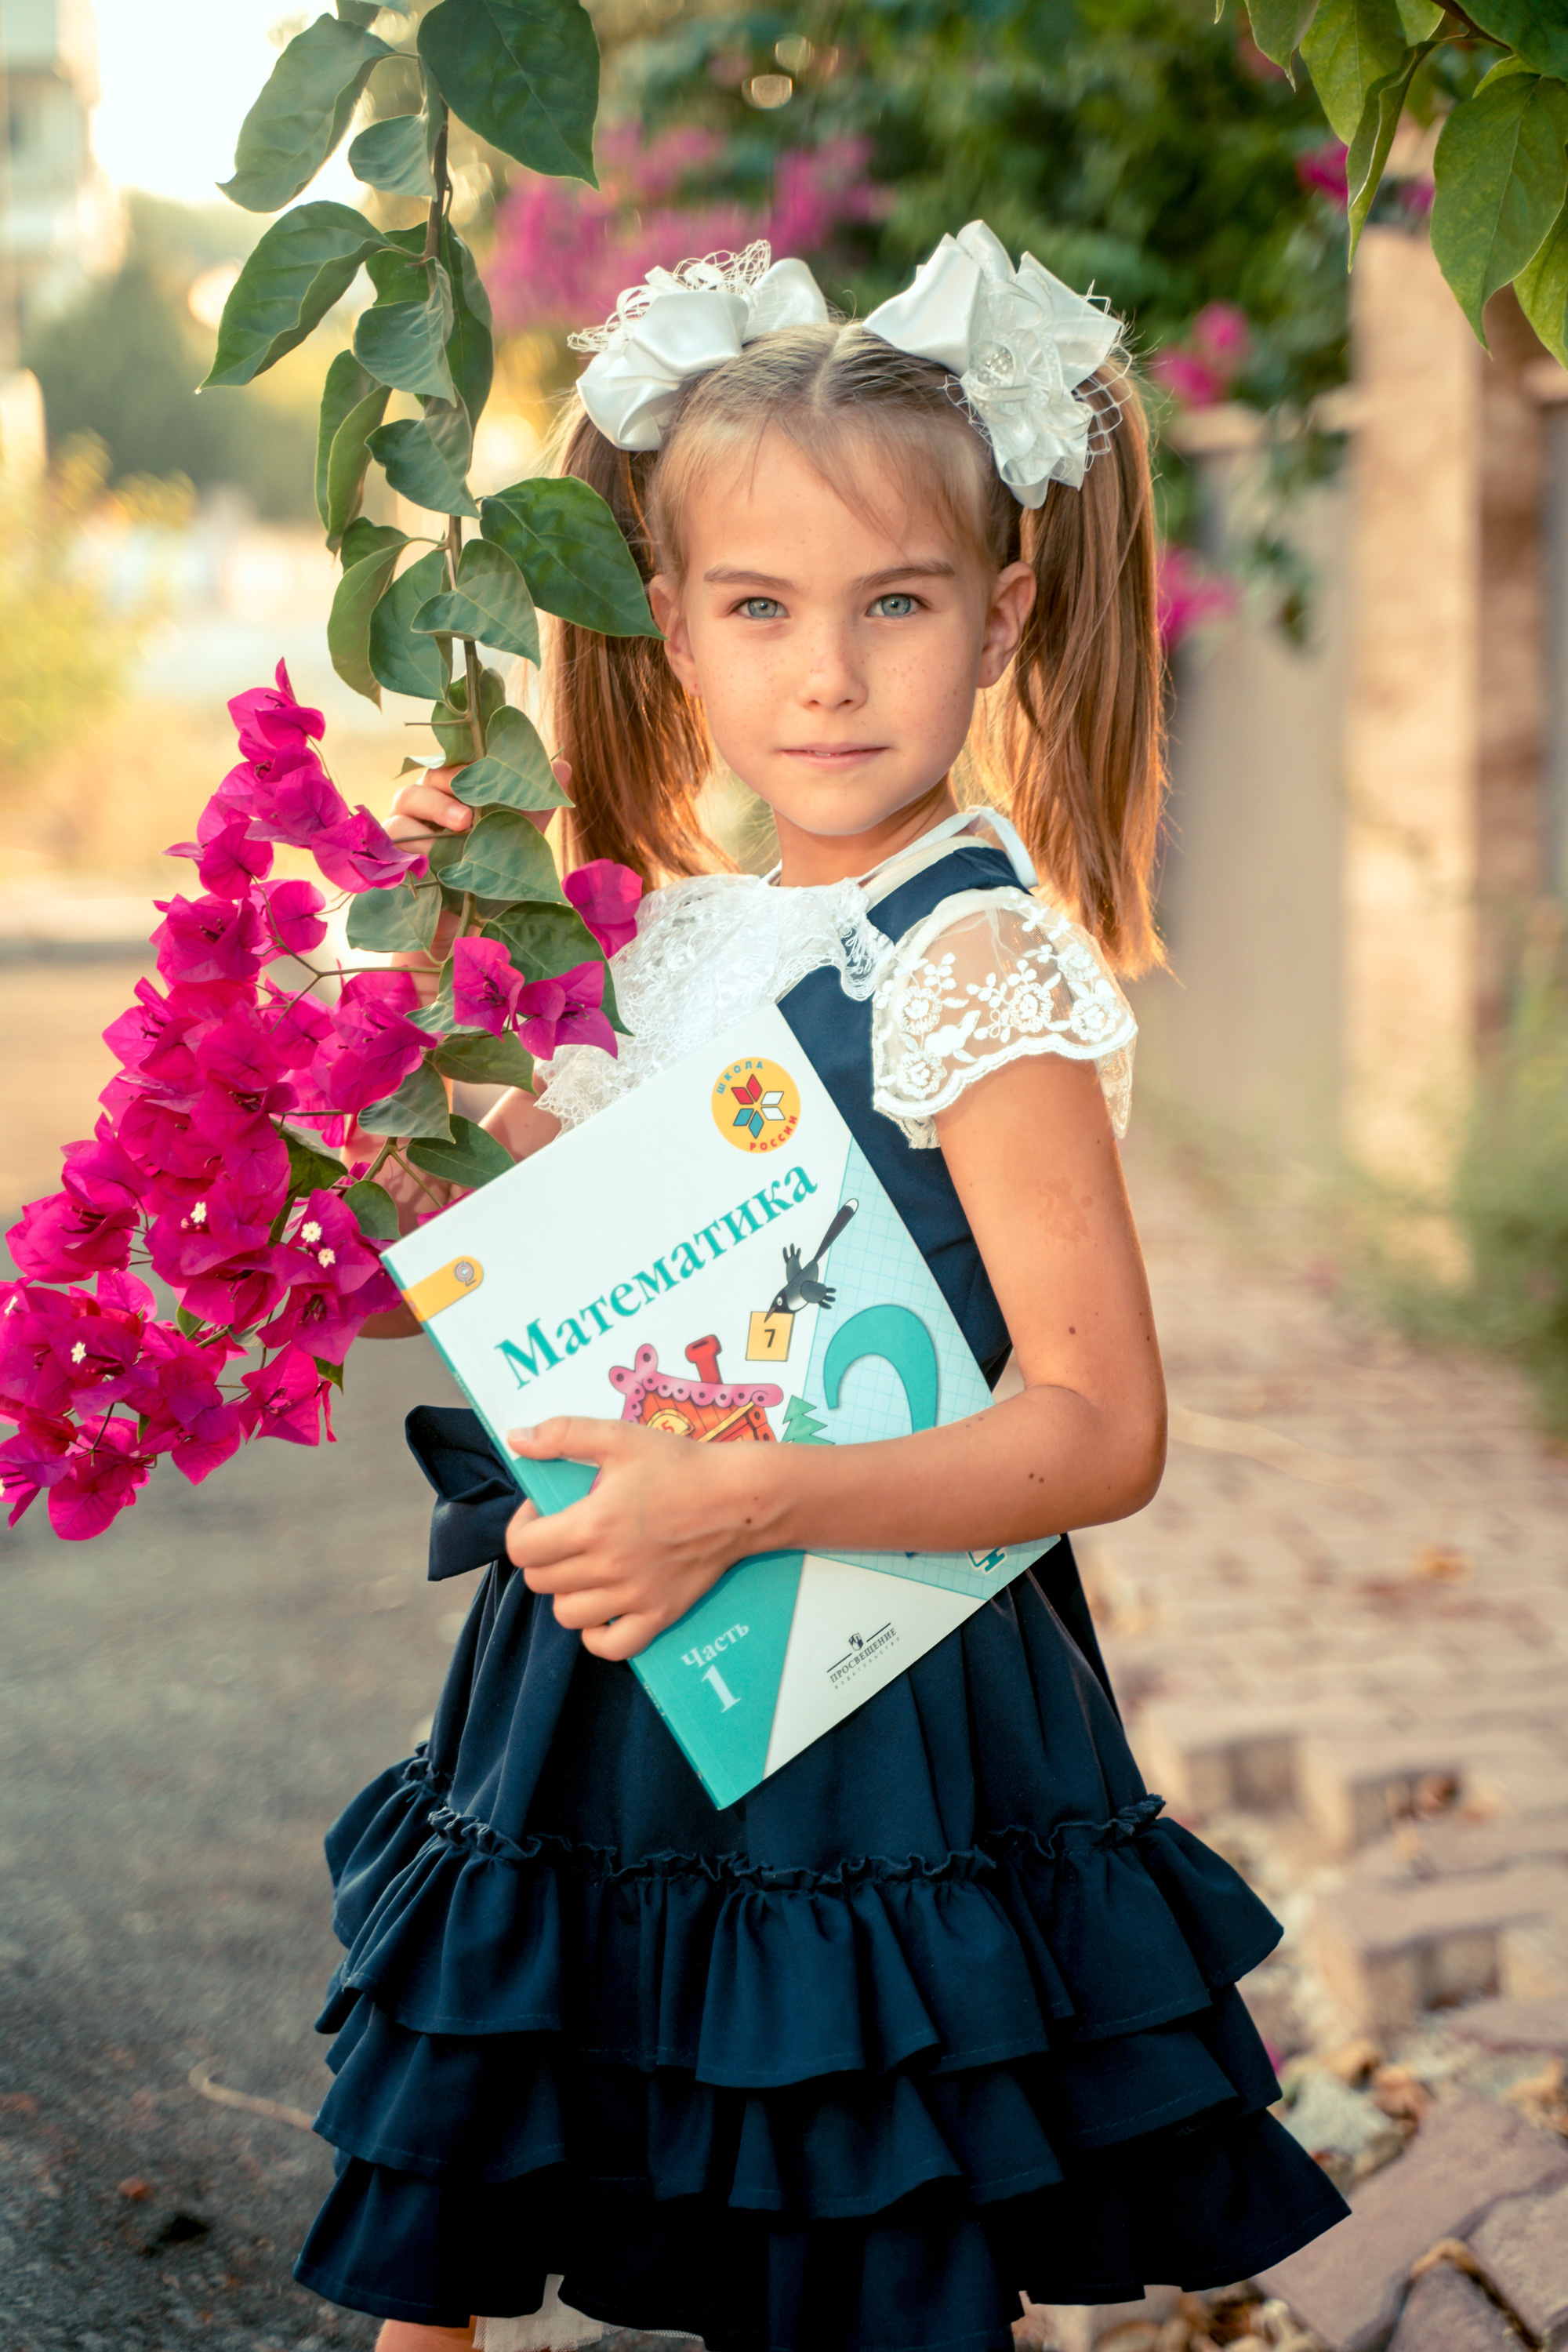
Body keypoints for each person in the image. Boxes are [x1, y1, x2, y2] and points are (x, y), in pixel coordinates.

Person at [294, 224, 1347, 2350]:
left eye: (896, 606)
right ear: (667, 624)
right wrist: (389, 1055)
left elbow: (1098, 1428)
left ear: (1004, 615)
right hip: (601, 1670)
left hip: (870, 1712)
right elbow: (524, 1270)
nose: (830, 675)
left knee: (842, 2227)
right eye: (761, 608)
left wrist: (741, 1497)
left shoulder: (972, 964)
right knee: (472, 2169)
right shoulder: (672, 939)